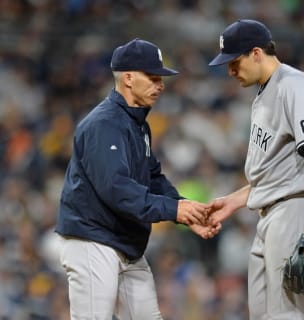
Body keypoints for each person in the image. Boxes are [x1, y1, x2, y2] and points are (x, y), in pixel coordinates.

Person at [55, 38, 220, 319]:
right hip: (93, 240)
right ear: (128, 78)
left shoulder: (135, 124)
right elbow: (116, 189)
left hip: (124, 242)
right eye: (153, 77)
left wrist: (185, 211)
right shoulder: (104, 124)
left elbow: (152, 176)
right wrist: (174, 209)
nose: (161, 85)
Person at [207, 19, 304, 319]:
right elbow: (278, 169)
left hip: (292, 212)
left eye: (234, 62)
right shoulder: (267, 90)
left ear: (255, 53)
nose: (230, 71)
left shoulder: (293, 84)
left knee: (289, 313)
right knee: (265, 314)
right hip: (270, 214)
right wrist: (235, 201)